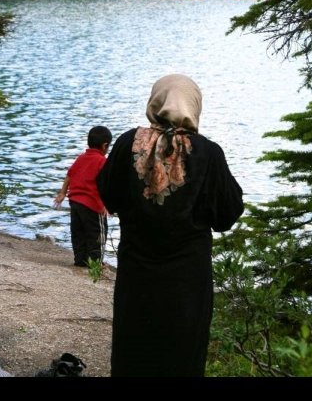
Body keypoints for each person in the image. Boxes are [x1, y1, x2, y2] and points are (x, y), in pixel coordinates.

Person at [97, 74, 244, 377]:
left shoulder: (127, 144)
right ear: (194, 105)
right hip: (187, 279)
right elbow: (227, 213)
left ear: (156, 101)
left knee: (134, 347)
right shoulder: (208, 153)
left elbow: (109, 194)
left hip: (137, 270)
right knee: (182, 352)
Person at [54, 126, 113, 267]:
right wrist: (107, 204)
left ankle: (80, 260)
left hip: (75, 203)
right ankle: (95, 264)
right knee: (97, 234)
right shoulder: (102, 161)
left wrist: (62, 193)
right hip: (92, 205)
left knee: (78, 233)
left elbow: (69, 174)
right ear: (105, 145)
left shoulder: (81, 158)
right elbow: (107, 184)